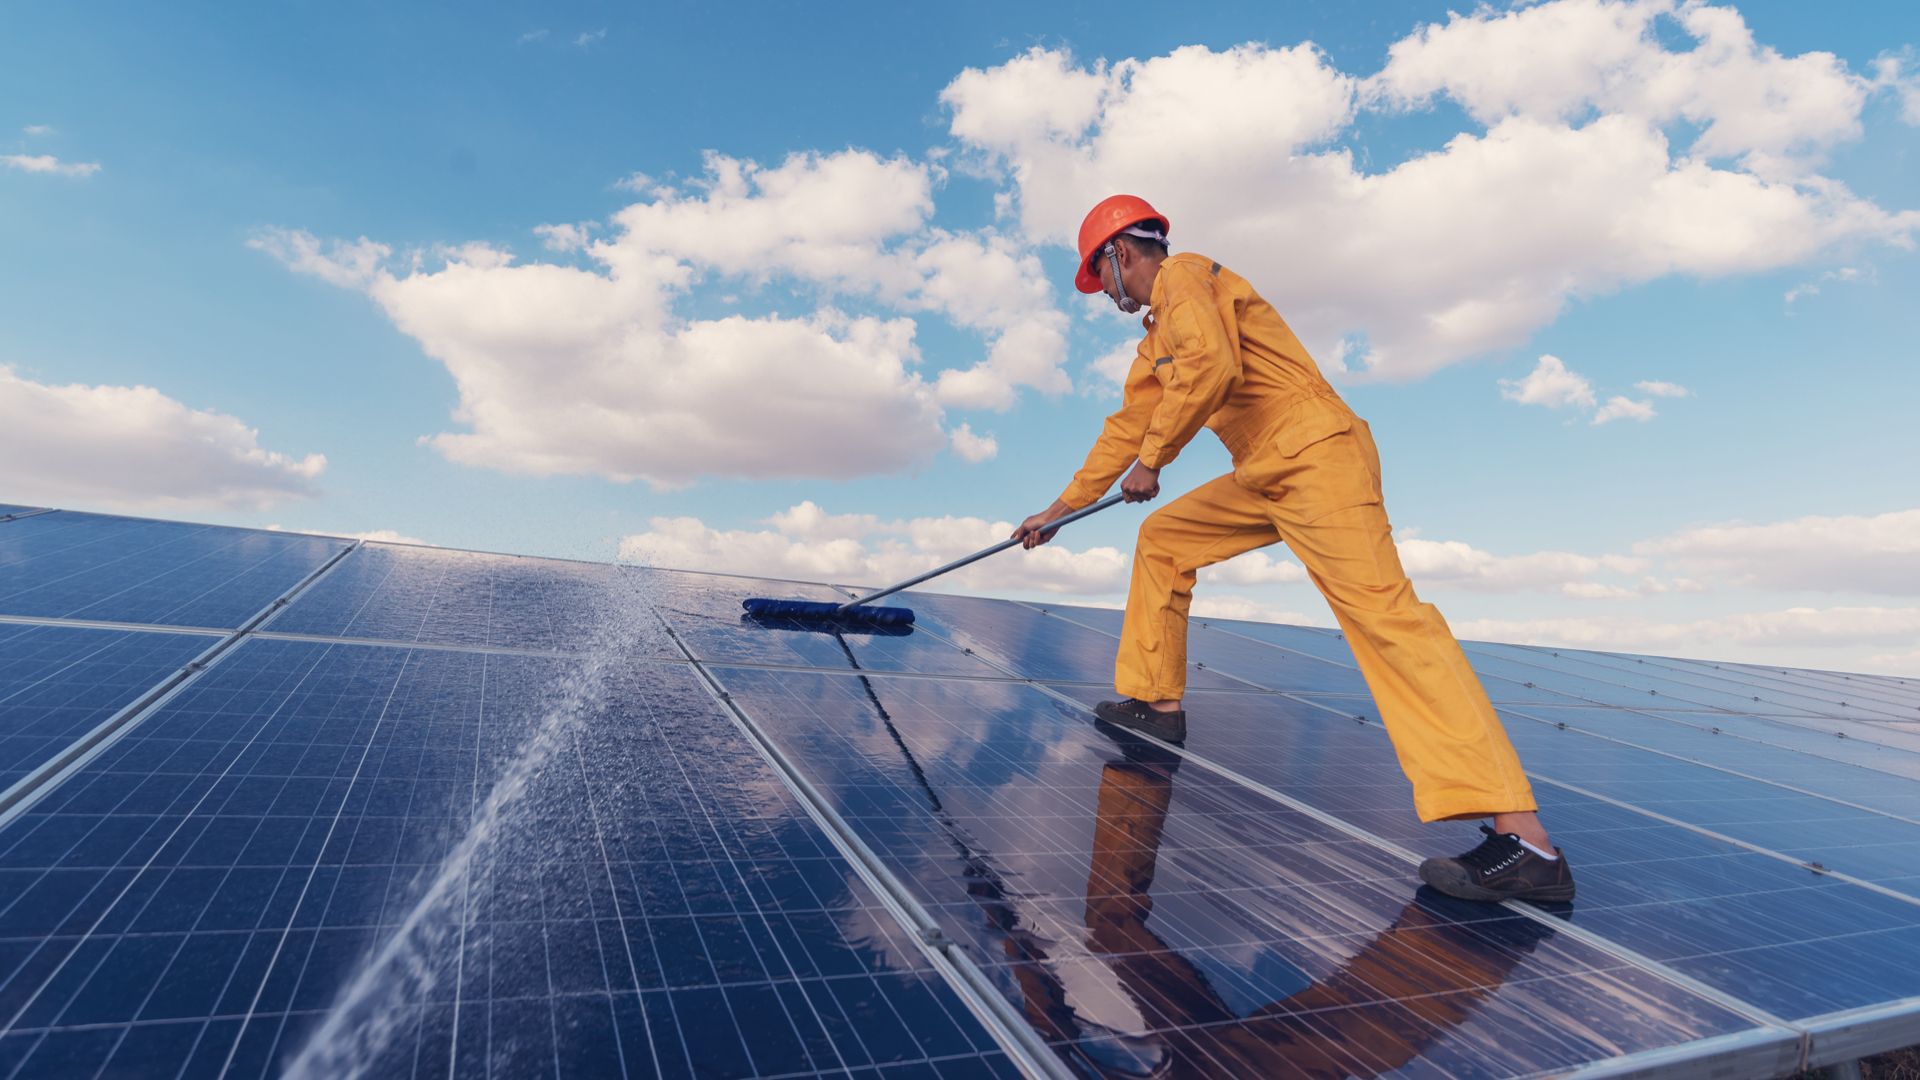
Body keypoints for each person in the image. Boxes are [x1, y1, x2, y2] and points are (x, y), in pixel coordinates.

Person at [1013, 195, 1574, 904]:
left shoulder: (1188, 276)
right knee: (1164, 538)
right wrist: (1059, 511)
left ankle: (1528, 844)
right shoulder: (1156, 341)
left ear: (1120, 255)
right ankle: (1155, 703)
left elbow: (1210, 367)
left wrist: (1155, 459)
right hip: (1267, 470)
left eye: (1102, 280)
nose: (1106, 297)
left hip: (1316, 454)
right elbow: (1127, 429)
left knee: (1388, 621)